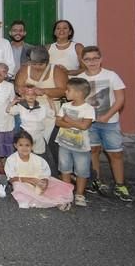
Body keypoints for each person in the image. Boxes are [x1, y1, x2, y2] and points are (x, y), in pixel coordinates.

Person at [76, 46, 132, 202]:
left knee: (115, 153)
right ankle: (96, 180)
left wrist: (107, 115)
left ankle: (120, 185)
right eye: (88, 59)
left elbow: (120, 99)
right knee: (93, 151)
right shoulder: (81, 78)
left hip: (110, 122)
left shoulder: (112, 76)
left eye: (95, 58)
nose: (92, 62)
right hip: (90, 123)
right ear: (82, 61)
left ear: (101, 59)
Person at [14, 46, 67, 172]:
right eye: (34, 63)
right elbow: (17, 87)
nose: (37, 67)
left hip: (49, 108)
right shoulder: (25, 69)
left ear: (47, 62)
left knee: (46, 142)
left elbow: (64, 91)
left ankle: (47, 170)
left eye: (41, 64)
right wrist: (22, 90)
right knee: (28, 140)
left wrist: (44, 91)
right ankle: (27, 169)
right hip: (29, 109)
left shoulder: (57, 70)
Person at [5, 130, 74, 210]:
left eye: (27, 145)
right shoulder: (11, 159)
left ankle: (53, 200)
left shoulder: (38, 159)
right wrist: (30, 180)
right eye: (21, 145)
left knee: (53, 186)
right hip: (23, 183)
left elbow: (45, 174)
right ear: (15, 145)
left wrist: (44, 183)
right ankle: (55, 203)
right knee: (18, 187)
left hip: (38, 182)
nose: (24, 148)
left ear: (32, 146)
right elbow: (11, 179)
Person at [55, 77, 95, 207]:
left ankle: (79, 193)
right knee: (65, 169)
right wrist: (74, 123)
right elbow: (58, 121)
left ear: (78, 93)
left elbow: (85, 126)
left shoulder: (88, 108)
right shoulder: (65, 105)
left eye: (68, 90)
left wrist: (68, 120)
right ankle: (67, 193)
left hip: (81, 147)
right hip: (64, 143)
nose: (65, 92)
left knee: (81, 171)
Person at [7, 85, 54, 158]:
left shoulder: (42, 107)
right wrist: (14, 101)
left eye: (33, 94)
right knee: (25, 154)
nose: (30, 96)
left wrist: (51, 102)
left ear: (36, 96)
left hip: (38, 135)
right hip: (26, 135)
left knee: (39, 155)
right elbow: (8, 110)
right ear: (24, 96)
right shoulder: (21, 107)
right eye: (28, 94)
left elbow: (53, 114)